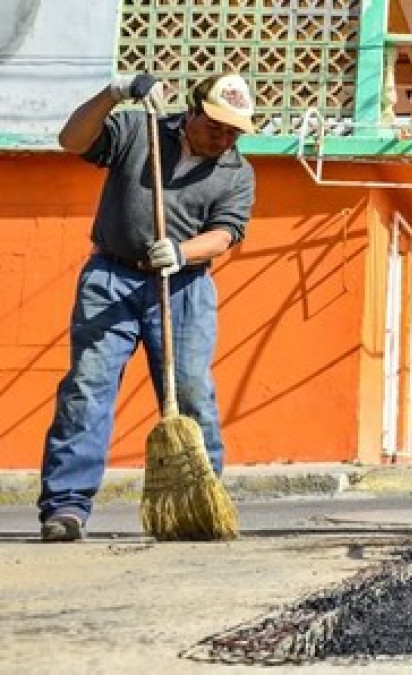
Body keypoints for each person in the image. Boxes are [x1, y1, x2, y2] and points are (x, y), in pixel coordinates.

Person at [38, 71, 257, 541]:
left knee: (193, 392)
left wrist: (182, 252)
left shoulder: (236, 172)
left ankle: (201, 499)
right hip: (111, 276)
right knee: (87, 388)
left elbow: (227, 233)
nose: (223, 138)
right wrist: (113, 94)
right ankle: (66, 507)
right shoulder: (142, 130)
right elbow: (71, 140)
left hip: (184, 288)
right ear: (193, 111)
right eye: (215, 125)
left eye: (233, 131)